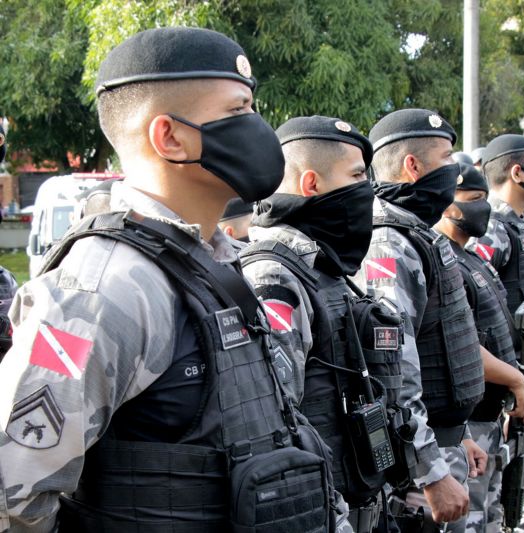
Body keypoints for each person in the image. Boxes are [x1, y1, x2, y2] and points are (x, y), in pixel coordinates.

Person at [0, 27, 341, 532]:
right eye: (237, 111)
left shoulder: (216, 265)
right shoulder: (105, 289)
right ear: (170, 136)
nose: (259, 129)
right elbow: (14, 496)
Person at [238, 116, 408, 532]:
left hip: (360, 497)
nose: (367, 190)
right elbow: (280, 423)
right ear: (311, 184)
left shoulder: (325, 267)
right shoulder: (274, 274)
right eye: (355, 176)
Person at [352, 108, 485, 530]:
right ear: (413, 166)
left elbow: (437, 349)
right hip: (417, 470)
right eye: (447, 158)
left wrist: (457, 433)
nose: (455, 170)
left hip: (439, 446)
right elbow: (392, 374)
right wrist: (431, 473)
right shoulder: (389, 242)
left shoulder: (416, 233)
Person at [434, 162, 524, 533]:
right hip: (469, 414)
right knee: (471, 515)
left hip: (485, 414)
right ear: (449, 204)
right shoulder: (444, 261)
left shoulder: (471, 258)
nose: (483, 208)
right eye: (473, 200)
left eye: (484, 199)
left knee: (490, 513)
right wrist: (515, 380)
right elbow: (463, 345)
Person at [466, 134, 524, 532]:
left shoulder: (517, 226)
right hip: (492, 388)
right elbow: (472, 312)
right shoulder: (494, 229)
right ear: (517, 171)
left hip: (513, 377)